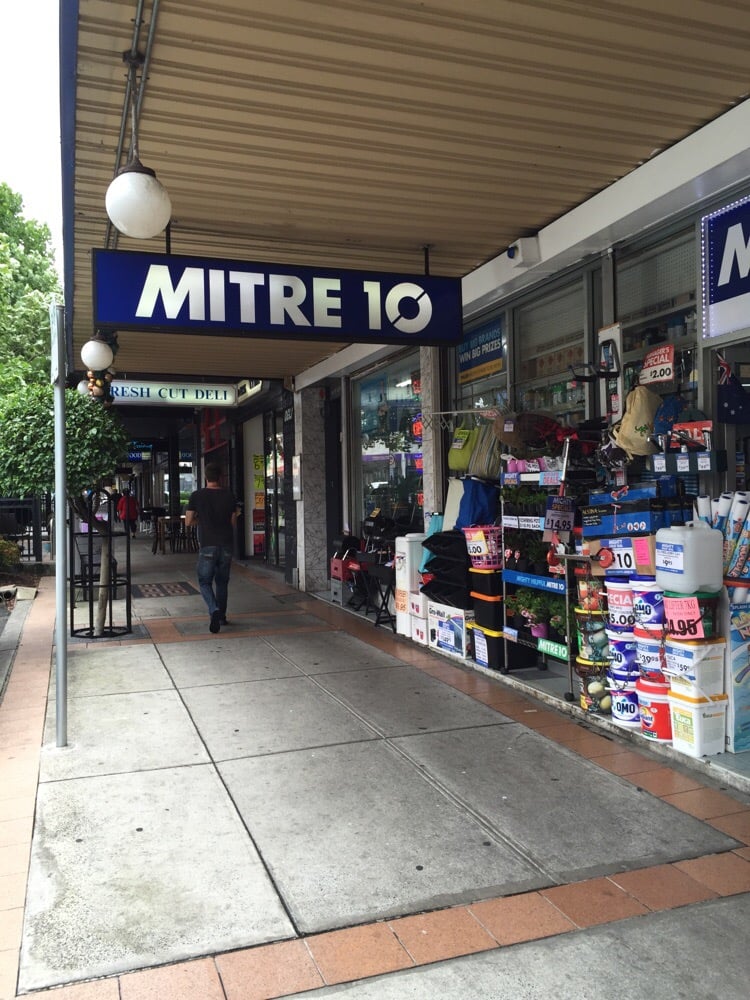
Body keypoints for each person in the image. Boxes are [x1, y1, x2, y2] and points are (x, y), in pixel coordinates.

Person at [185, 463, 240, 633]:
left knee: (204, 581)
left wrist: (201, 522)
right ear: (220, 477)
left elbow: (188, 521)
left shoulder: (197, 496)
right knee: (222, 582)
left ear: (206, 477)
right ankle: (222, 617)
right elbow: (233, 522)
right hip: (226, 544)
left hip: (207, 544)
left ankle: (213, 608)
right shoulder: (230, 496)